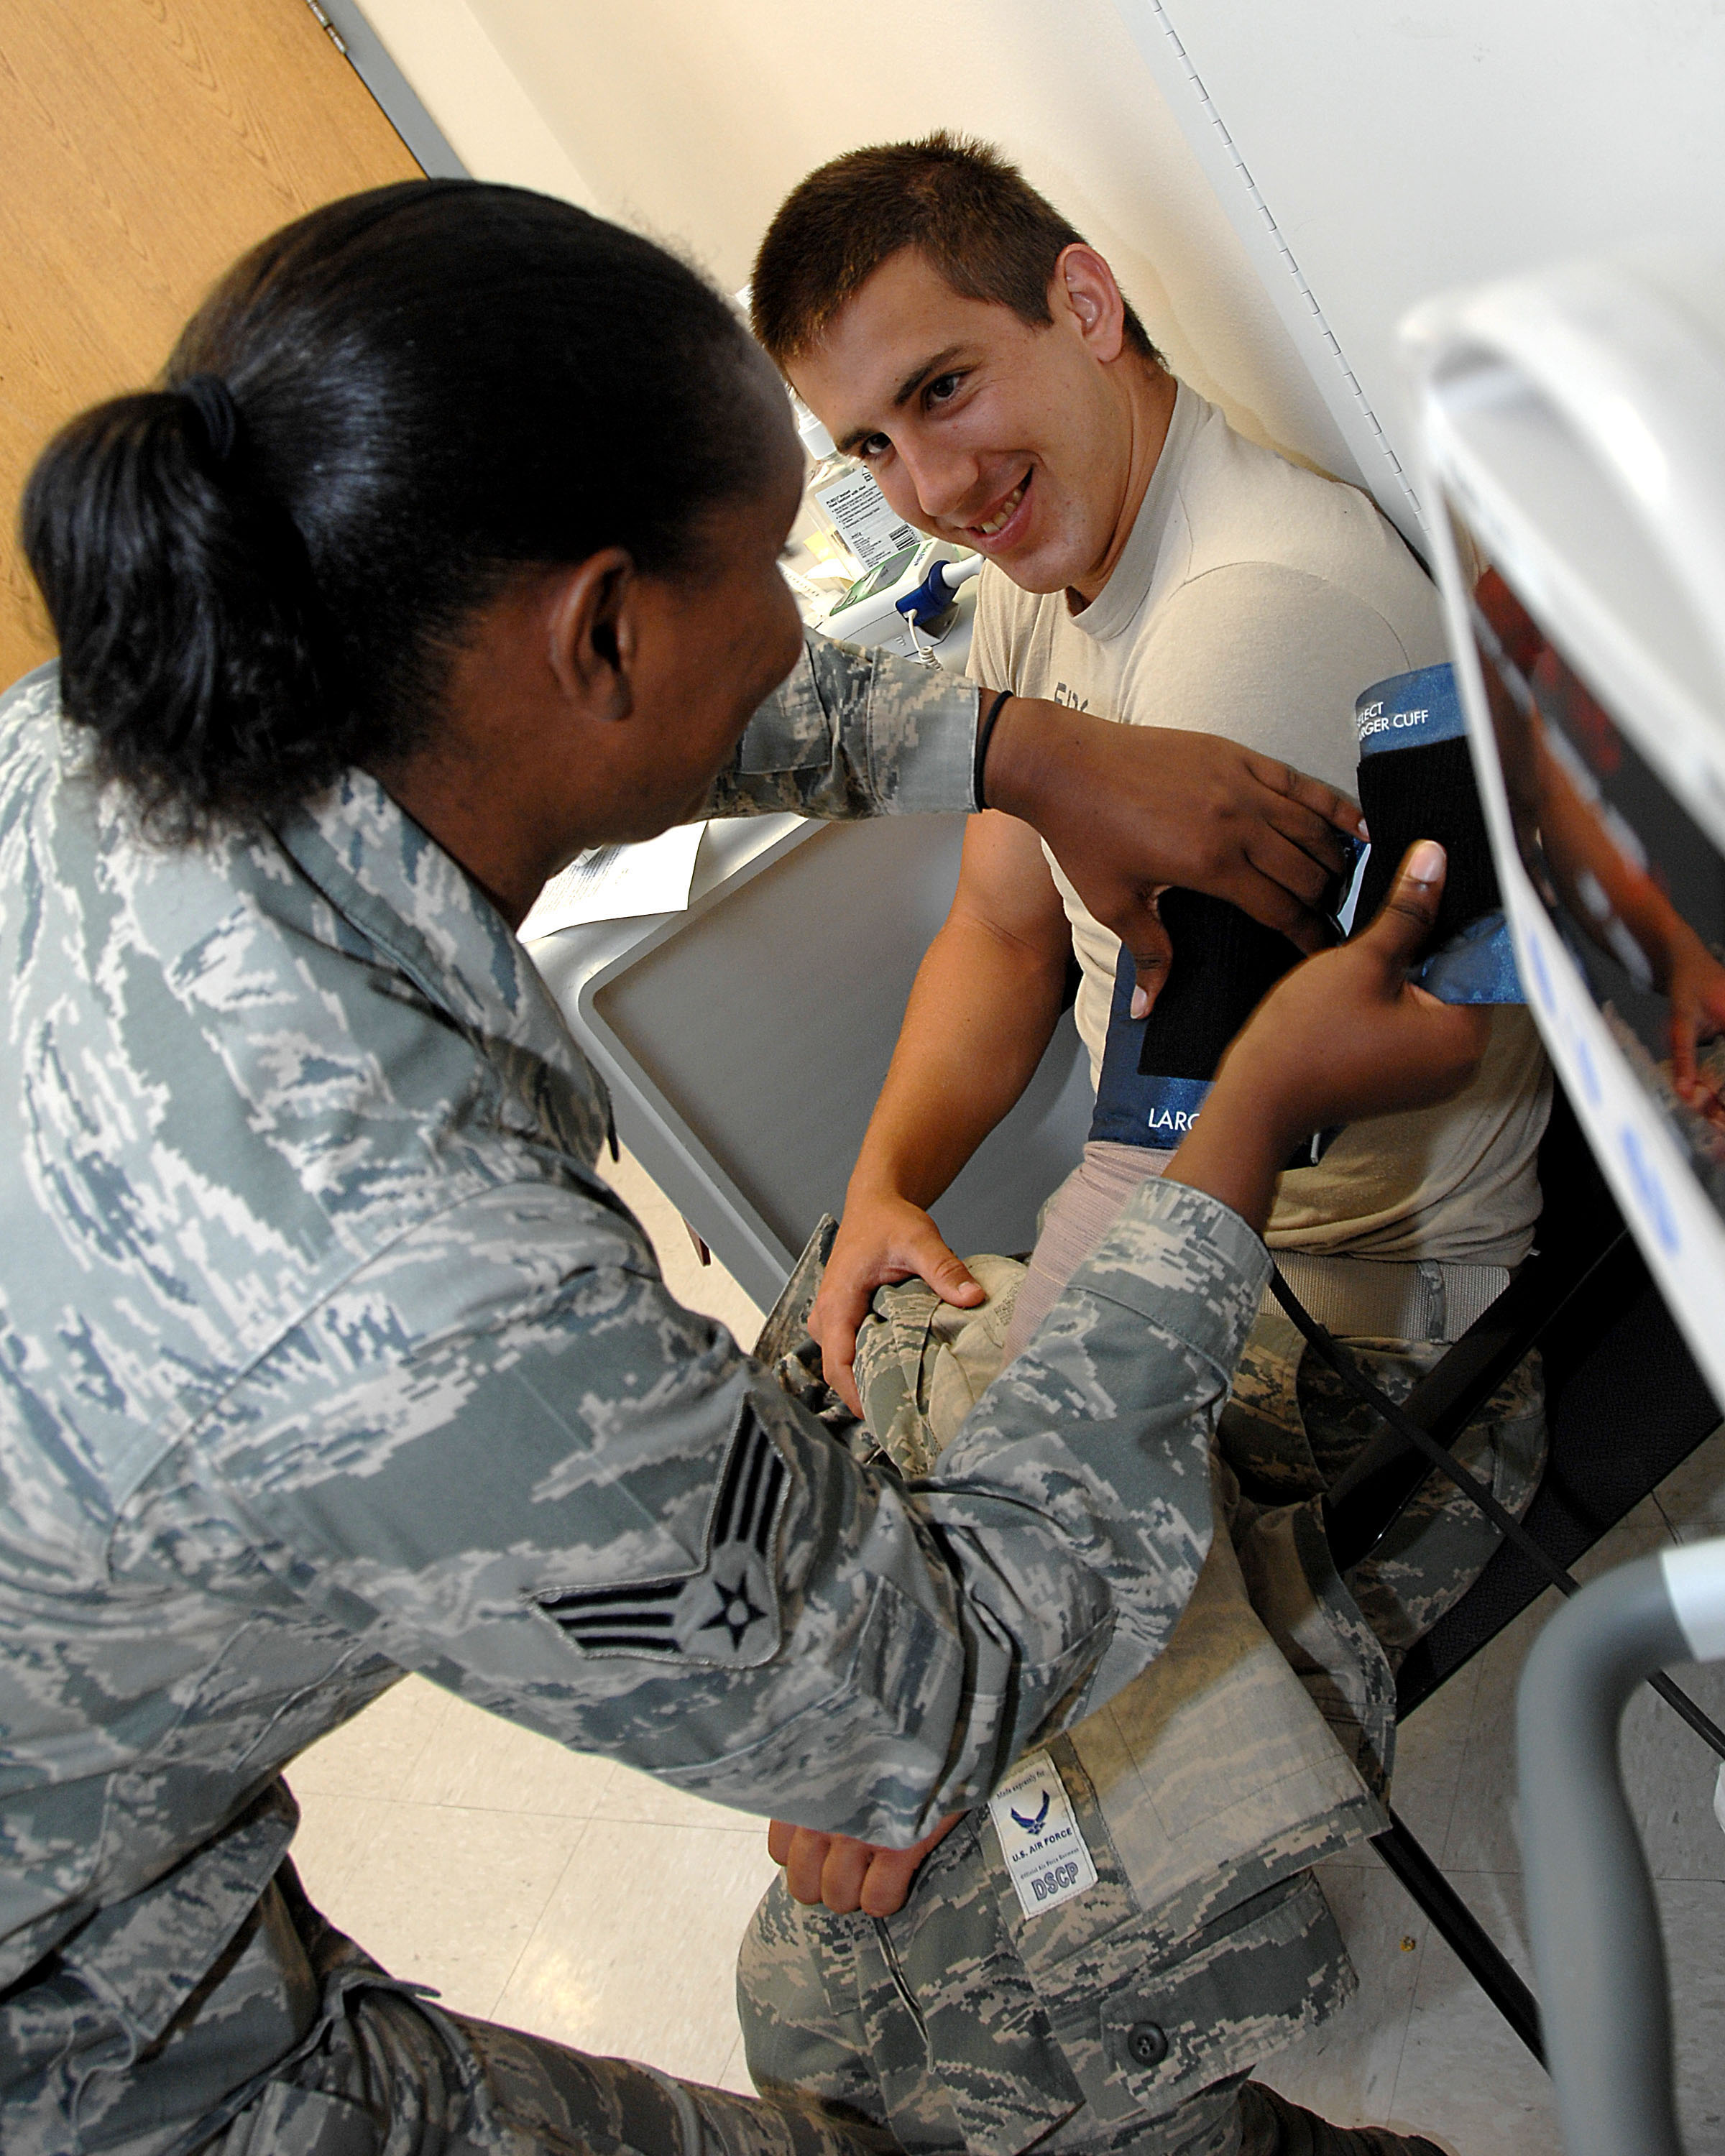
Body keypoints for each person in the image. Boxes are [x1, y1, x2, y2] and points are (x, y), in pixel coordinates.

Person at [0, 178, 1475, 2156]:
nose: (873, 551)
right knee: (856, 2004)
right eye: (800, 538)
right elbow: (926, 1688)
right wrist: (1231, 1129)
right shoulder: (396, 1278)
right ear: (600, 629)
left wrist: (1018, 752)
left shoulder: (120, 728)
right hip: (73, 2044)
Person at [733, 136, 1552, 2150]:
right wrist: (883, 1192)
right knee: (792, 1387)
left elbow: (1172, 1186)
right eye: (872, 444)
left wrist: (938, 1671)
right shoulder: (1055, 584)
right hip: (1201, 1251)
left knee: (833, 1996)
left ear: (1086, 308)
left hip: (1363, 1359)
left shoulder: (1241, 627)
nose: (929, 486)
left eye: (949, 390)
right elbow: (1008, 929)